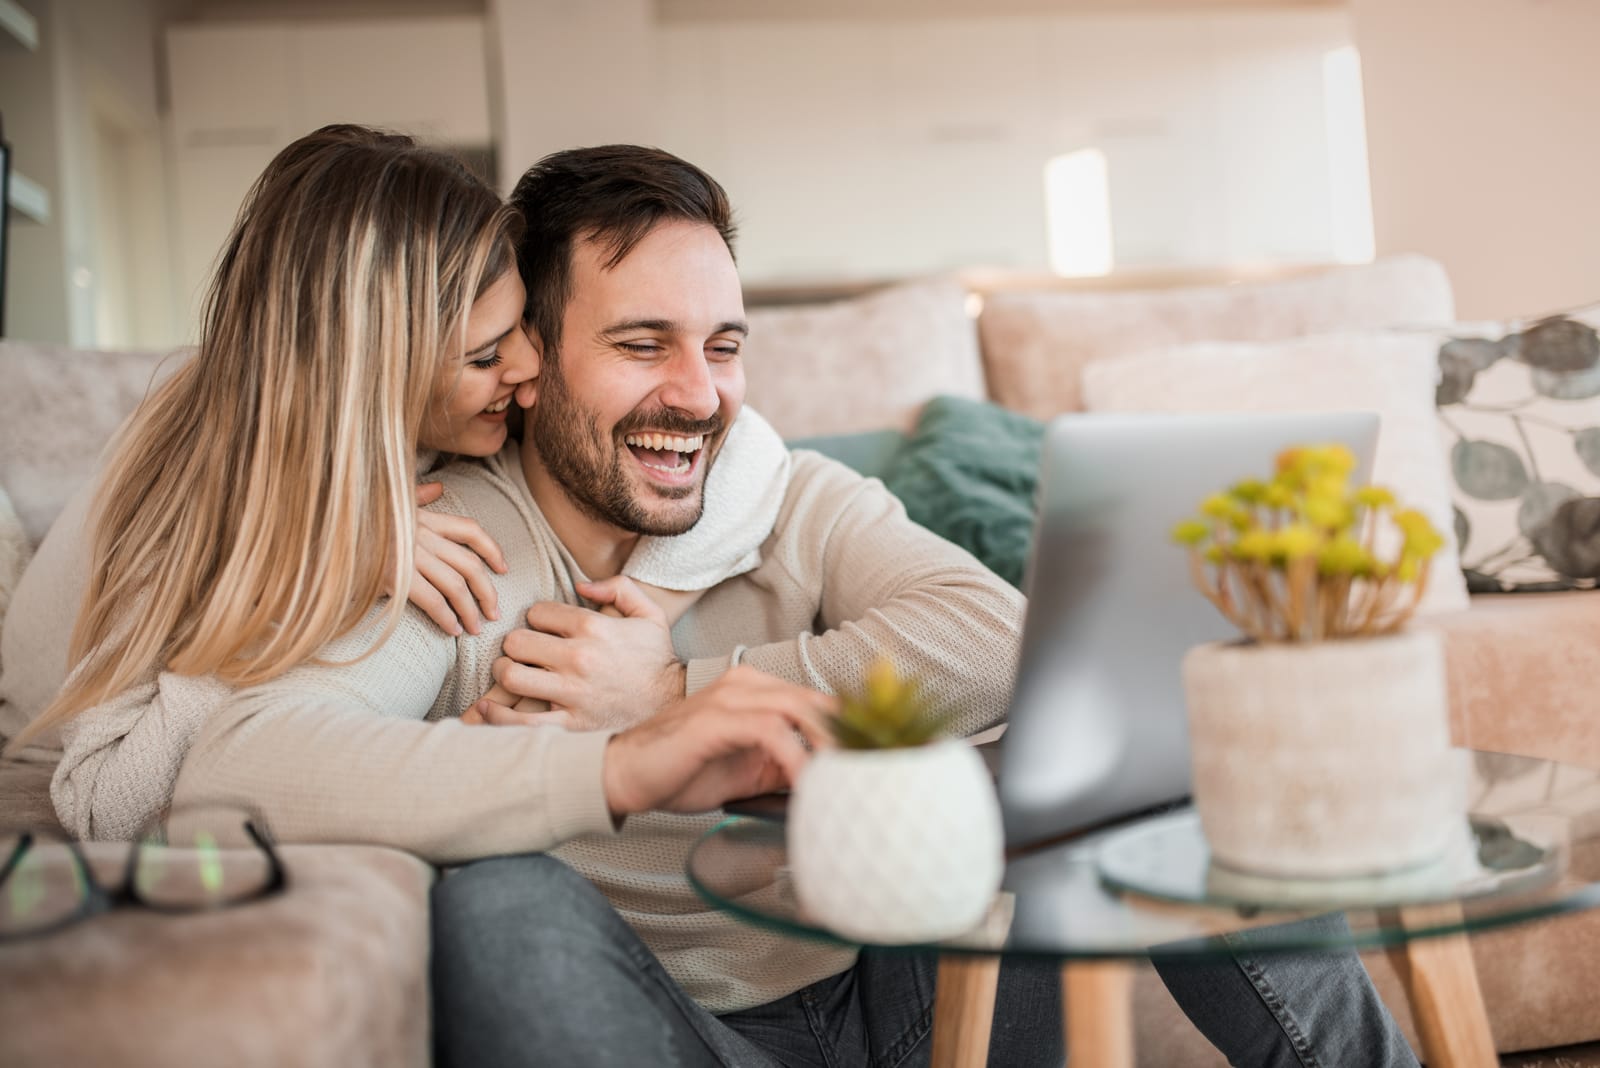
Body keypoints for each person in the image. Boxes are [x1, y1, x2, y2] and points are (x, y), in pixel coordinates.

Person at [170, 144, 1415, 1067]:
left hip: (915, 997)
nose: (698, 394)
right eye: (643, 342)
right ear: (535, 363)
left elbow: (999, 638)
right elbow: (237, 768)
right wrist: (619, 764)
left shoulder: (786, 492)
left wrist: (678, 699)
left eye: (722, 344)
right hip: (683, 1031)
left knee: (1123, 736)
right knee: (495, 903)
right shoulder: (454, 549)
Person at [0, 124, 817, 841]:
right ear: (376, 370)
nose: (529, 371)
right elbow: (106, 802)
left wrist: (637, 639)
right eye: (485, 357)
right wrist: (323, 556)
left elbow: (749, 453)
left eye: (522, 332)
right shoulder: (197, 467)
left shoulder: (423, 436)